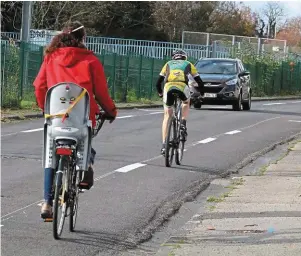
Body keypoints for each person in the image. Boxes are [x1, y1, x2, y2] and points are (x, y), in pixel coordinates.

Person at [33, 21, 117, 218]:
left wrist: (45, 107)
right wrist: (111, 111)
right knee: (85, 142)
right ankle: (86, 164)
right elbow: (101, 93)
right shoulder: (90, 60)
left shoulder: (51, 57)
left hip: (55, 119)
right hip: (81, 119)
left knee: (50, 156)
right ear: (82, 39)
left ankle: (47, 203)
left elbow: (39, 86)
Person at [156, 49, 204, 155]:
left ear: (173, 57)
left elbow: (158, 82)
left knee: (167, 116)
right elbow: (199, 82)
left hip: (168, 87)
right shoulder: (188, 64)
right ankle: (183, 123)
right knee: (186, 102)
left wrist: (160, 93)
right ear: (184, 57)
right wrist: (201, 94)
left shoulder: (168, 64)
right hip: (182, 86)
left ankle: (164, 145)